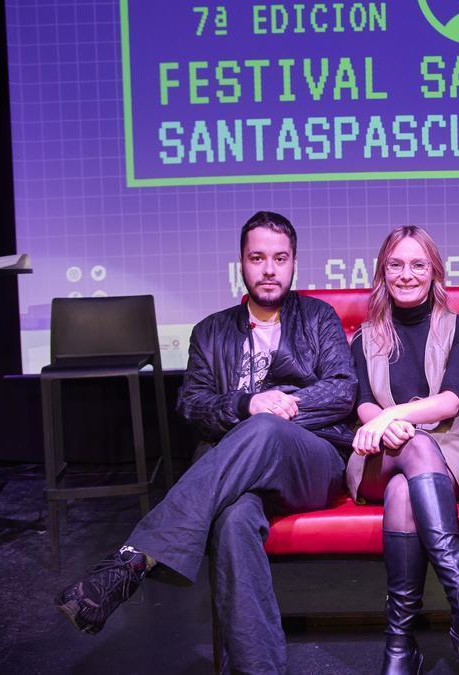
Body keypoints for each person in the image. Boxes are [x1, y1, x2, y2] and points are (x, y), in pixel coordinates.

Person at [54, 211, 357, 674]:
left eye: (280, 258)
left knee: (267, 428)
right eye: (258, 258)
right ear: (241, 262)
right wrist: (247, 405)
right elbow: (192, 406)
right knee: (234, 522)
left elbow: (341, 390)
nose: (269, 269)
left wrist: (275, 409)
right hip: (235, 474)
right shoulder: (211, 331)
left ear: (295, 263)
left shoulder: (318, 318)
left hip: (309, 461)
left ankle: (133, 560)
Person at [347, 225, 459, 674]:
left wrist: (395, 418)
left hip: (446, 448)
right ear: (382, 272)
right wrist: (383, 424)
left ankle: (400, 647)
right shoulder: (364, 337)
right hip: (377, 454)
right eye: (396, 265)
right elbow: (365, 402)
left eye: (418, 264)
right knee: (410, 452)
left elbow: (450, 400)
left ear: (434, 272)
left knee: (407, 488)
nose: (407, 275)